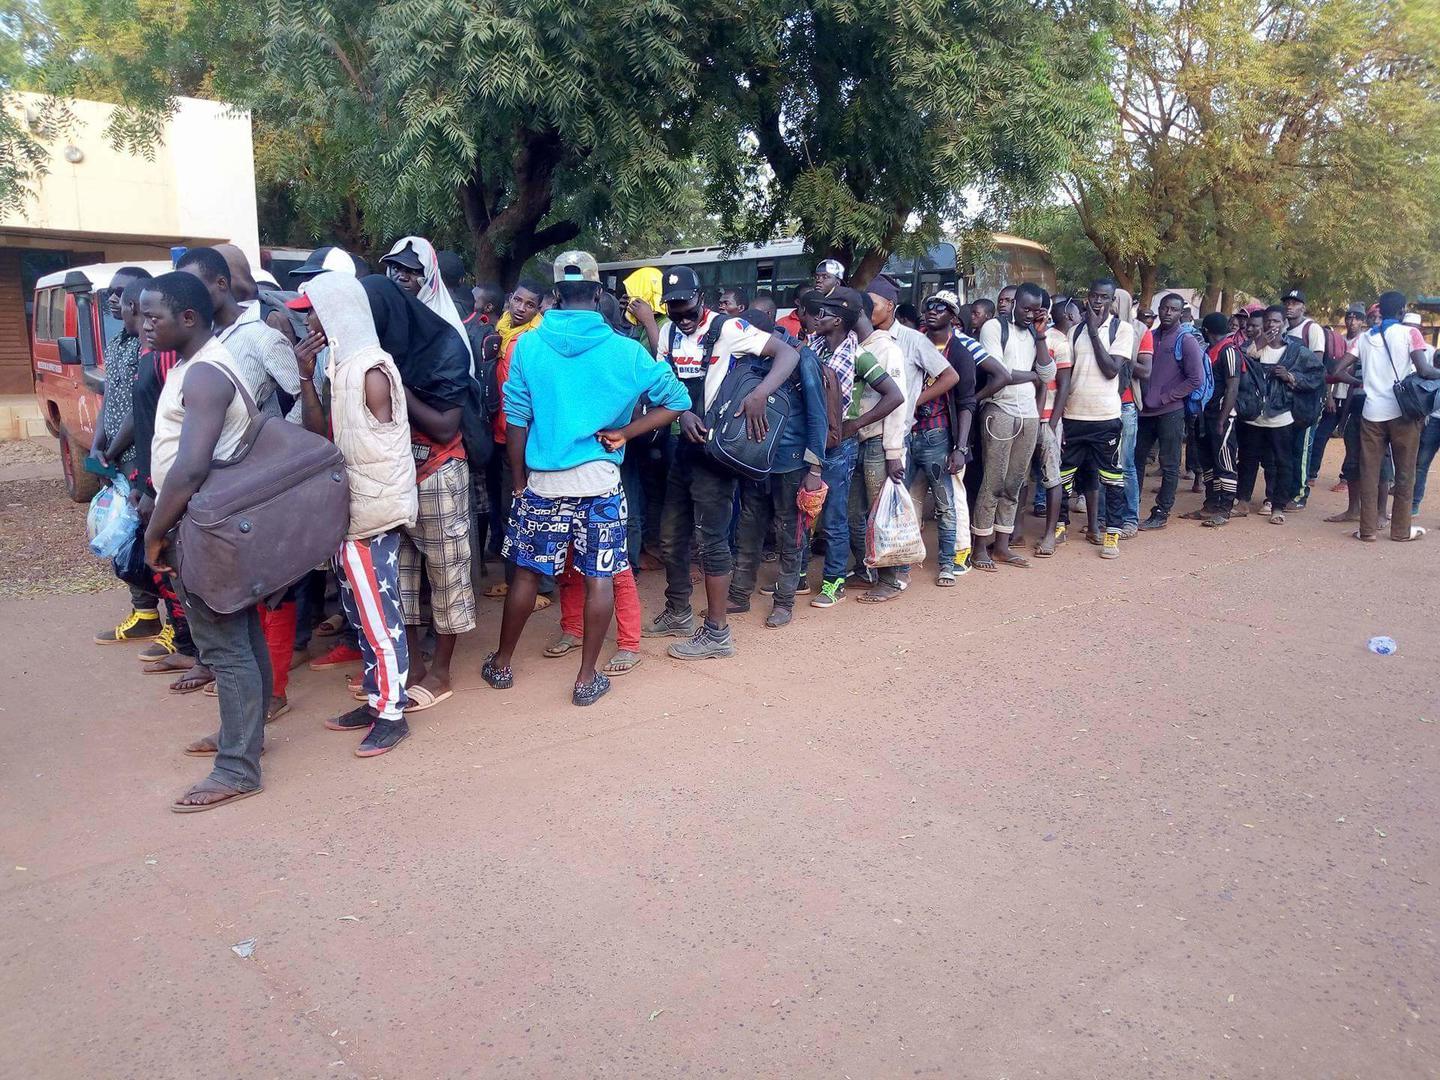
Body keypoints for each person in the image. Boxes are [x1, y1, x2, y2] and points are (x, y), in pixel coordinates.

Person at [482, 257, 688, 704]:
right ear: (598, 295)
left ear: (555, 297)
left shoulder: (529, 347)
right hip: (599, 483)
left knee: (525, 577)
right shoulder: (626, 351)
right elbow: (677, 399)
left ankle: (501, 664)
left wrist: (519, 480)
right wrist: (624, 433)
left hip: (543, 482)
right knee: (600, 578)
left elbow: (516, 419)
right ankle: (586, 678)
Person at [139, 272, 270, 813]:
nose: (144, 325)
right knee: (241, 634)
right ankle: (244, 740)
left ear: (187, 319)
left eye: (154, 316)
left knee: (223, 645)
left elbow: (191, 467)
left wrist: (153, 533)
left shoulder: (207, 375)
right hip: (208, 523)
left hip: (204, 526)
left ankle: (237, 768)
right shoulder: (200, 366)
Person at [633, 266, 799, 657]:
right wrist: (680, 412)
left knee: (711, 539)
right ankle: (678, 611)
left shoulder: (727, 328)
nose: (682, 316)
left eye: (687, 306)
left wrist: (760, 393)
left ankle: (717, 632)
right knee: (672, 536)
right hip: (684, 447)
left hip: (718, 451)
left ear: (701, 300)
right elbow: (664, 383)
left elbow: (787, 354)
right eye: (673, 308)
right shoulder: (670, 333)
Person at [290, 273, 419, 756]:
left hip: (370, 510)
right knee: (361, 615)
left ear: (340, 313)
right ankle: (377, 698)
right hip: (353, 507)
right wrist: (306, 376)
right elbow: (321, 432)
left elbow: (378, 449)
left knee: (378, 616)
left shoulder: (370, 370)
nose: (309, 319)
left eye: (315, 310)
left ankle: (392, 712)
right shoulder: (343, 366)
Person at [363, 275, 476, 710]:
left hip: (437, 469)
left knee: (447, 574)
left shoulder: (444, 345)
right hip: (392, 474)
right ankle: (413, 667)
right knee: (401, 578)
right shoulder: (374, 350)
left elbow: (447, 425)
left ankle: (443, 672)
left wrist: (397, 387)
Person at [725, 305, 828, 627]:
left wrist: (814, 469)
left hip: (791, 461)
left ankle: (784, 602)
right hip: (754, 460)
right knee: (748, 529)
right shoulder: (748, 355)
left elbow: (817, 415)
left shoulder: (802, 357)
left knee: (790, 533)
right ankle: (739, 596)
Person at [804, 288, 904, 607]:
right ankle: (795, 577)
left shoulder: (859, 355)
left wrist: (855, 424)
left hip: (838, 446)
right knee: (802, 512)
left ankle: (834, 582)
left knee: (834, 516)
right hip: (809, 441)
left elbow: (894, 395)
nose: (816, 317)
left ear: (838, 320)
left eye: (823, 314)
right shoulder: (812, 349)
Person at [91, 266, 163, 646]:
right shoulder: (117, 342)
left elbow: (141, 408)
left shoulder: (148, 343)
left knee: (150, 533)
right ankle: (144, 612)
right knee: (120, 533)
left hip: (140, 453)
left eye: (120, 292)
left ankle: (174, 624)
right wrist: (97, 446)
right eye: (110, 293)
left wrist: (115, 449)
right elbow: (109, 400)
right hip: (115, 455)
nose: (114, 299)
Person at [972, 282, 1054, 570]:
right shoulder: (994, 327)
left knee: (1015, 483)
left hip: (1029, 414)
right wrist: (1032, 375)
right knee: (993, 482)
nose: (1030, 314)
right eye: (1025, 308)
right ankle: (980, 547)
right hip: (1000, 410)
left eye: (1036, 310)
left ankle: (1002, 546)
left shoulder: (1036, 333)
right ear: (1013, 304)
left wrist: (1041, 337)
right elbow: (1000, 372)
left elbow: (1047, 373)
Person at [1345, 290, 1438, 541]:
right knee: (1405, 473)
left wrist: (1361, 382)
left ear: (1378, 311)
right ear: (1401, 311)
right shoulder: (1411, 333)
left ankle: (1367, 531)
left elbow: (1337, 369)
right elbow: (1425, 370)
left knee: (1369, 473)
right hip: (1403, 414)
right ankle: (1399, 531)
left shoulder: (1363, 338)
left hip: (1371, 413)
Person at [846, 291, 921, 602]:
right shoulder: (856, 346)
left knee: (881, 513)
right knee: (855, 512)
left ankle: (889, 579)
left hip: (879, 441)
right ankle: (867, 568)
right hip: (859, 439)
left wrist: (893, 452)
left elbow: (897, 403)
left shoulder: (886, 348)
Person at [175, 247, 301, 419]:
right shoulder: (198, 338)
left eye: (196, 288)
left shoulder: (262, 336)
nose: (190, 297)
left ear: (221, 283)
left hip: (253, 445)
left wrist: (281, 434)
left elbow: (304, 396)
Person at [487, 280, 552, 607]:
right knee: (509, 512)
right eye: (517, 300)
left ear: (538, 308)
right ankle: (514, 582)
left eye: (529, 304)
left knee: (530, 514)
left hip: (525, 439)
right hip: (503, 435)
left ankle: (539, 588)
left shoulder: (534, 340)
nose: (520, 307)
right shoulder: (502, 331)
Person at [1058, 279, 1134, 559]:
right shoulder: (1073, 331)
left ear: (1113, 301)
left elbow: (1112, 369)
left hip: (1106, 417)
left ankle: (1111, 532)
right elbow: (1066, 374)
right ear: (1087, 298)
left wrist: (1093, 332)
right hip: (1074, 415)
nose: (1098, 302)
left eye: (1104, 297)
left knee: (1112, 479)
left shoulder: (1121, 330)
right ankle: (1059, 525)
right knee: (1064, 475)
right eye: (1094, 296)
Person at [1235, 306, 1324, 524]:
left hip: (1281, 417)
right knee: (1247, 460)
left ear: (1284, 323)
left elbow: (1317, 374)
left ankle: (1277, 506)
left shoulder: (1296, 351)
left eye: (1275, 321)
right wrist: (1260, 345)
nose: (1271, 325)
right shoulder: (1252, 348)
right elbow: (1238, 364)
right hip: (1253, 416)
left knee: (1282, 462)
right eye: (1267, 321)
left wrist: (1291, 377)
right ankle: (1243, 501)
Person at [917, 290, 980, 580]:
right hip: (909, 431)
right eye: (929, 306)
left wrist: (961, 447)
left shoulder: (960, 352)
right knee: (908, 496)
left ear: (953, 317)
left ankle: (953, 559)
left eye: (941, 308)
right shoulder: (914, 342)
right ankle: (904, 557)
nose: (932, 311)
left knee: (948, 499)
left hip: (940, 433)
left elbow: (967, 402)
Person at [1133, 293, 1203, 530]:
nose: (1168, 313)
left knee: (1170, 463)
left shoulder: (1186, 340)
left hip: (1171, 411)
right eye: (1164, 308)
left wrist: (1167, 397)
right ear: (1158, 309)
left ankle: (1162, 511)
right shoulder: (1150, 337)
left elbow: (1196, 379)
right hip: (1145, 411)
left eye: (1173, 309)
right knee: (1136, 459)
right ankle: (1131, 505)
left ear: (1180, 312)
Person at [1186, 312, 1243, 526]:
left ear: (1206, 331)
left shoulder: (1228, 351)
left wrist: (1222, 418)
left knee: (1225, 460)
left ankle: (1225, 508)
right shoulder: (1211, 350)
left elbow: (1233, 386)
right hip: (1205, 415)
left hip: (1221, 416)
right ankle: (1210, 504)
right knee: (1208, 460)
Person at [1281, 288, 1329, 509]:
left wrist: (1292, 377)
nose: (1290, 306)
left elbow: (1316, 368)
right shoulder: (1281, 328)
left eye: (1295, 302)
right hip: (1285, 398)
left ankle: (1300, 494)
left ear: (1303, 307)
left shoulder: (1312, 329)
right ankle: (1286, 491)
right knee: (1287, 447)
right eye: (1287, 302)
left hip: (1307, 400)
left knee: (1302, 448)